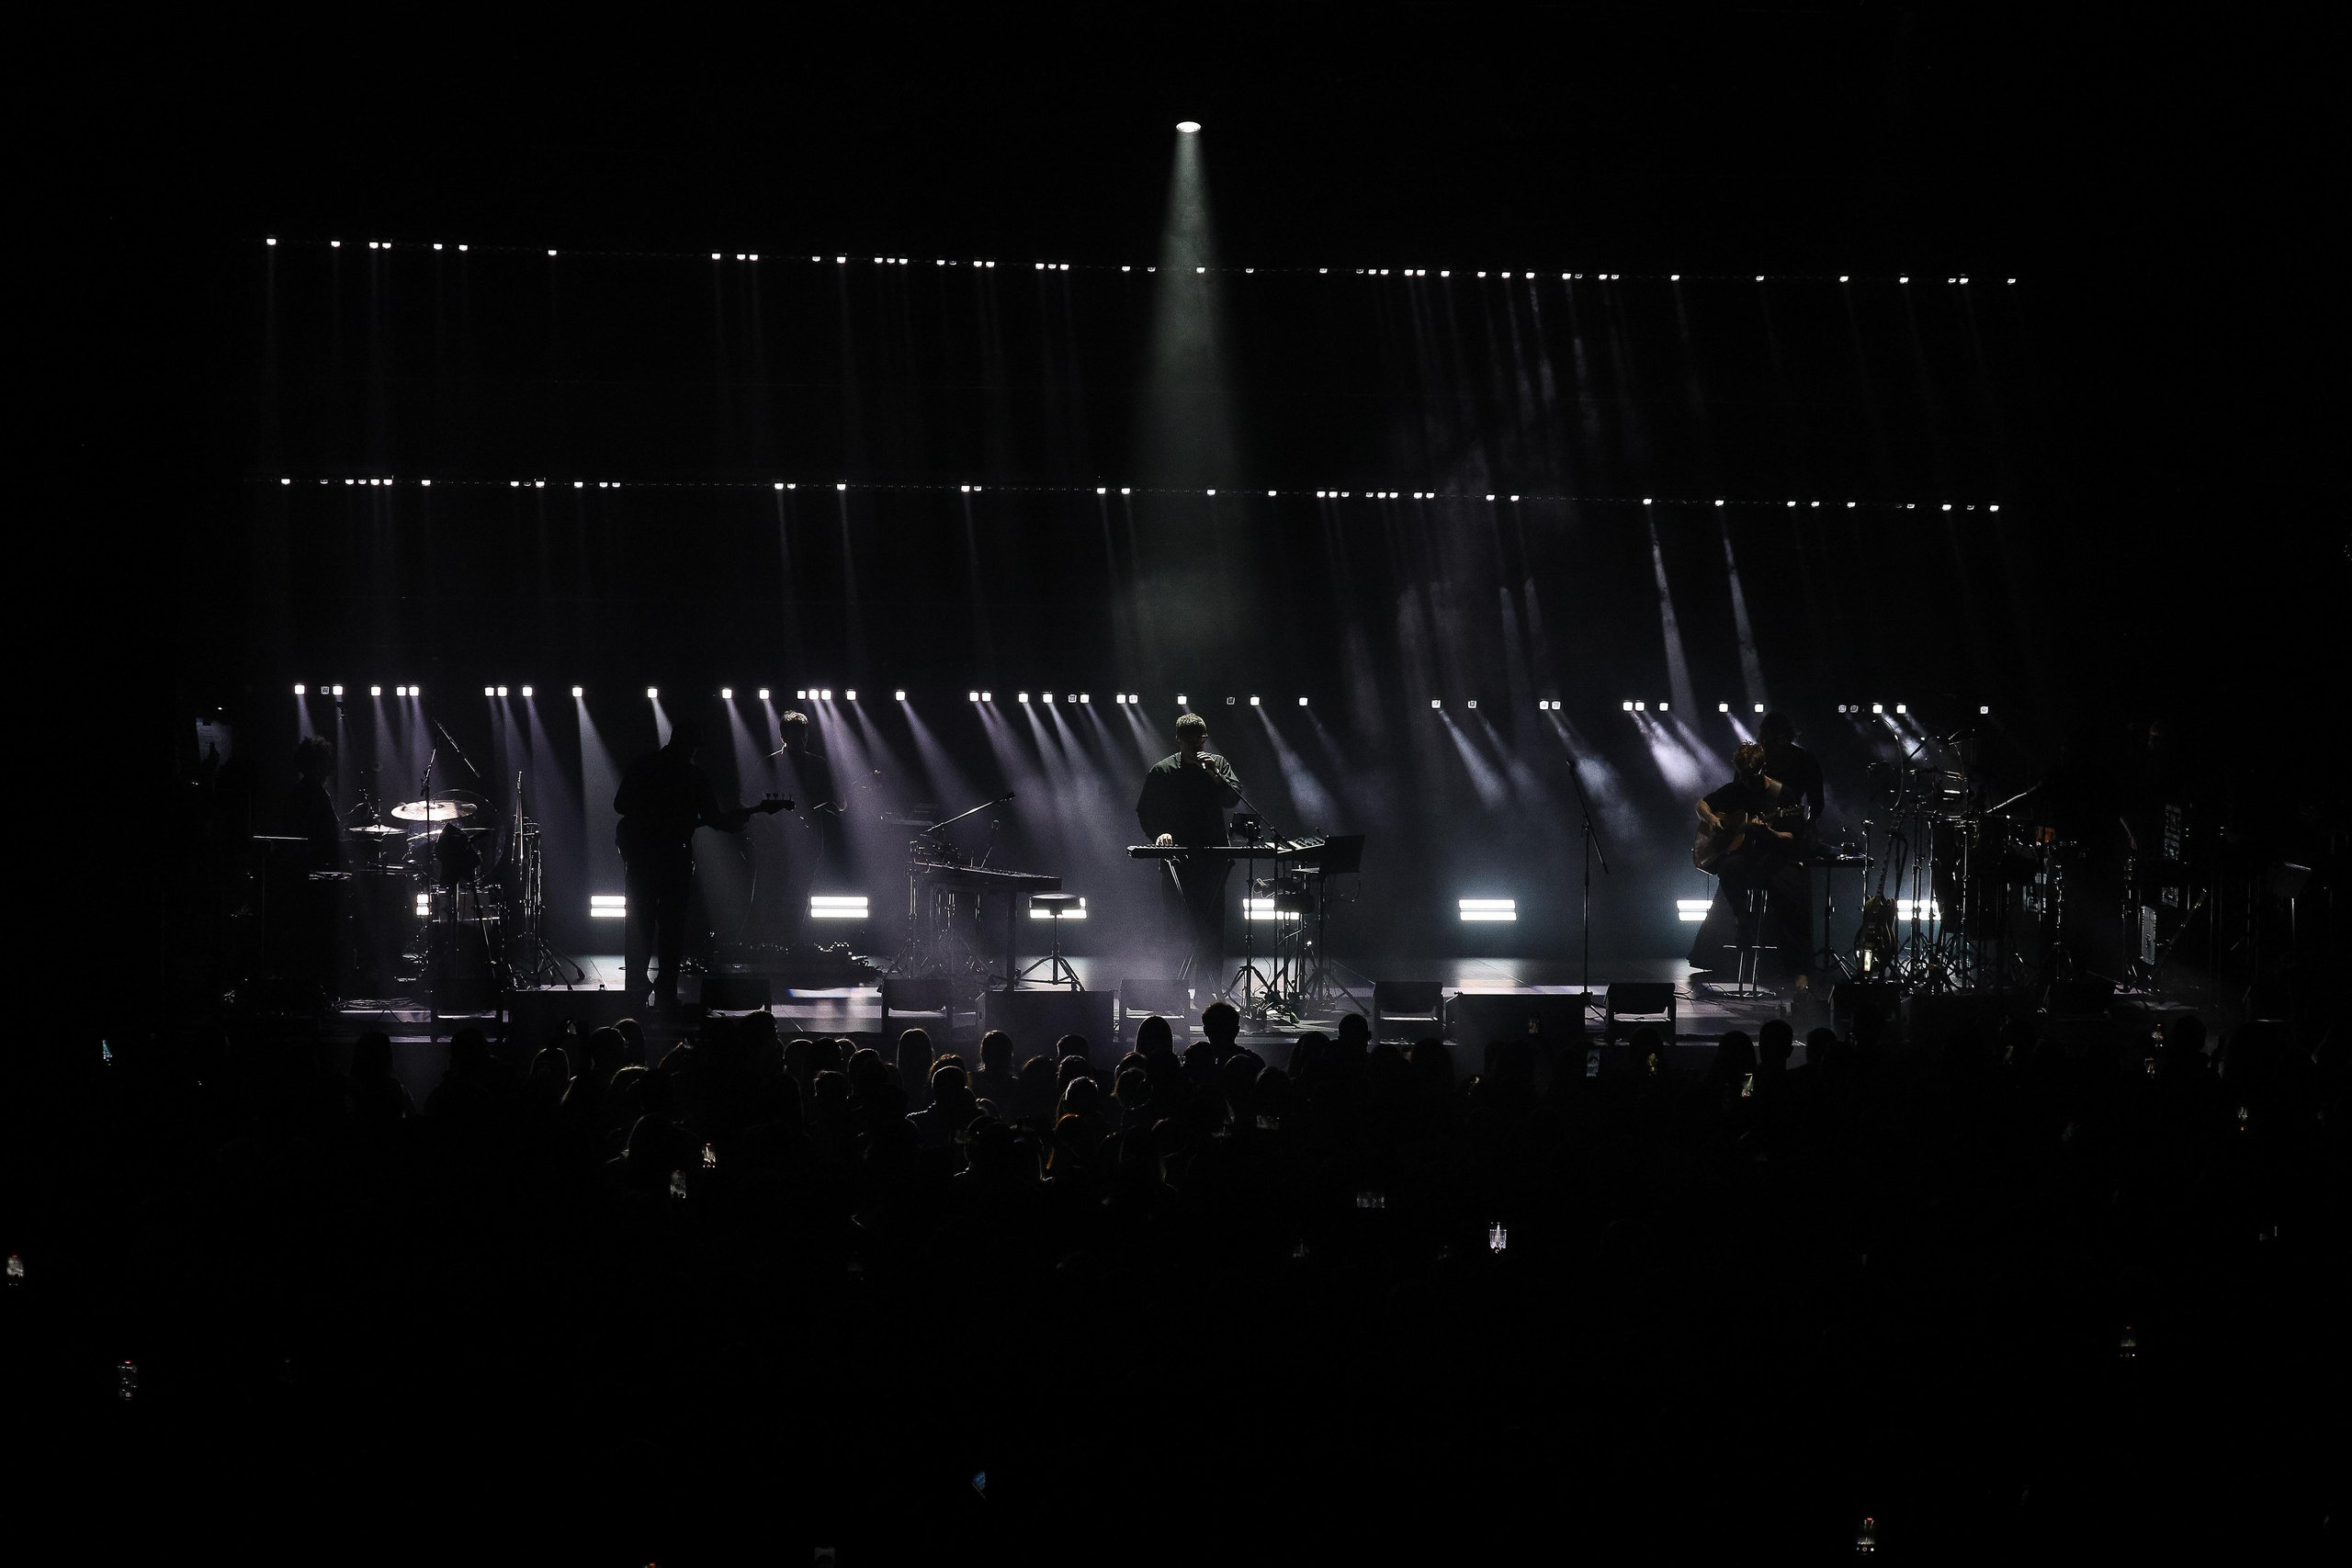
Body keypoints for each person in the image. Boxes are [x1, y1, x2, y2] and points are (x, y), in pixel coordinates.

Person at [614, 719, 788, 1010]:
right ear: (692, 747)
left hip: (641, 857)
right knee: (672, 928)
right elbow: (716, 820)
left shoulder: (643, 765)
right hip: (674, 859)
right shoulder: (694, 776)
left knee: (638, 924)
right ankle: (666, 993)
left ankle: (634, 990)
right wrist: (752, 813)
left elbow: (620, 806)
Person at [1688, 741, 1814, 989]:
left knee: (1793, 905)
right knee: (1728, 868)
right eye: (1742, 775)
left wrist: (1772, 834)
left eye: (1750, 776)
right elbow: (1701, 804)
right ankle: (1742, 917)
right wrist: (1712, 818)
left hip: (1775, 860)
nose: (1746, 781)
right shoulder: (1735, 789)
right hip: (1746, 861)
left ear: (1762, 768)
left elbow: (1795, 835)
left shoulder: (1782, 794)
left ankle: (1800, 974)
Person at [1136, 712, 1244, 992]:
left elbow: (1233, 798)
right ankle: (1173, 994)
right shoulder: (1163, 771)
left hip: (1213, 861)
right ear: (1179, 739)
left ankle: (1208, 995)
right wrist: (1159, 833)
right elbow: (1145, 810)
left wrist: (1216, 777)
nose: (1199, 743)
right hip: (1177, 862)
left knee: (1212, 929)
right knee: (1176, 926)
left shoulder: (1218, 765)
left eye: (1202, 738)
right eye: (1192, 738)